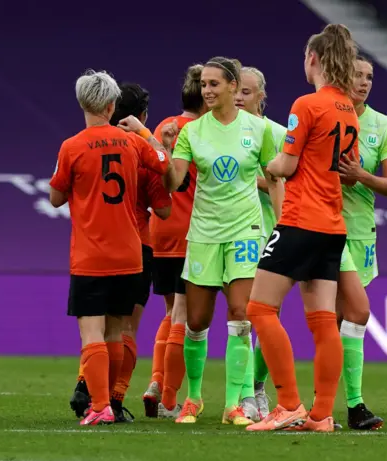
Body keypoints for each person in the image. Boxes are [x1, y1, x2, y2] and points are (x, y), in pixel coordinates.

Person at [246, 23, 359, 433]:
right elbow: (346, 170)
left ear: (314, 59)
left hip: (300, 220)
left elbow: (288, 165)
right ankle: (322, 415)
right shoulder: (348, 108)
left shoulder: (306, 104)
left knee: (259, 308)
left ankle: (289, 404)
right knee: (324, 321)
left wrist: (273, 165)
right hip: (332, 225)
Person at [49, 70, 175, 425]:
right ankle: (112, 402)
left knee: (92, 332)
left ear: (83, 103)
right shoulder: (134, 144)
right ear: (111, 105)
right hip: (131, 253)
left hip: (91, 255)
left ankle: (101, 406)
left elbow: (55, 197)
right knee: (118, 331)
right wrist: (150, 136)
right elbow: (164, 164)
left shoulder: (71, 146)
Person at [162, 57, 283, 425]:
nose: (208, 91)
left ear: (233, 86)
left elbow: (274, 177)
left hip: (245, 231)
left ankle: (233, 403)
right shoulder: (192, 131)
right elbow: (174, 182)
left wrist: (283, 224)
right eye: (204, 85)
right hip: (204, 233)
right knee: (196, 321)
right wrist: (165, 154)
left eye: (215, 84)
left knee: (241, 314)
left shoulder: (257, 129)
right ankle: (194, 398)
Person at [331, 54, 387, 429]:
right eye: (357, 74)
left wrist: (361, 175)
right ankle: (350, 404)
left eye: (369, 76)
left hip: (360, 232)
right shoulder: (325, 113)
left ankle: (327, 405)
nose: (363, 82)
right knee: (339, 315)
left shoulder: (383, 125)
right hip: (320, 226)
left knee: (343, 317)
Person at [143, 64, 207, 420]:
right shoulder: (206, 132)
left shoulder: (163, 126)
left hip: (161, 230)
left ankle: (155, 382)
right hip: (195, 232)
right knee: (185, 315)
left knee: (170, 312)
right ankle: (169, 399)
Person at [234, 66, 287, 420]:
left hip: (271, 232)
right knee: (240, 317)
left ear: (262, 96)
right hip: (235, 233)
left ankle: (256, 387)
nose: (239, 97)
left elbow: (289, 182)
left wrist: (257, 181)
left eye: (247, 92)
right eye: (236, 90)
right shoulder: (223, 132)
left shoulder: (279, 134)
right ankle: (239, 393)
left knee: (268, 316)